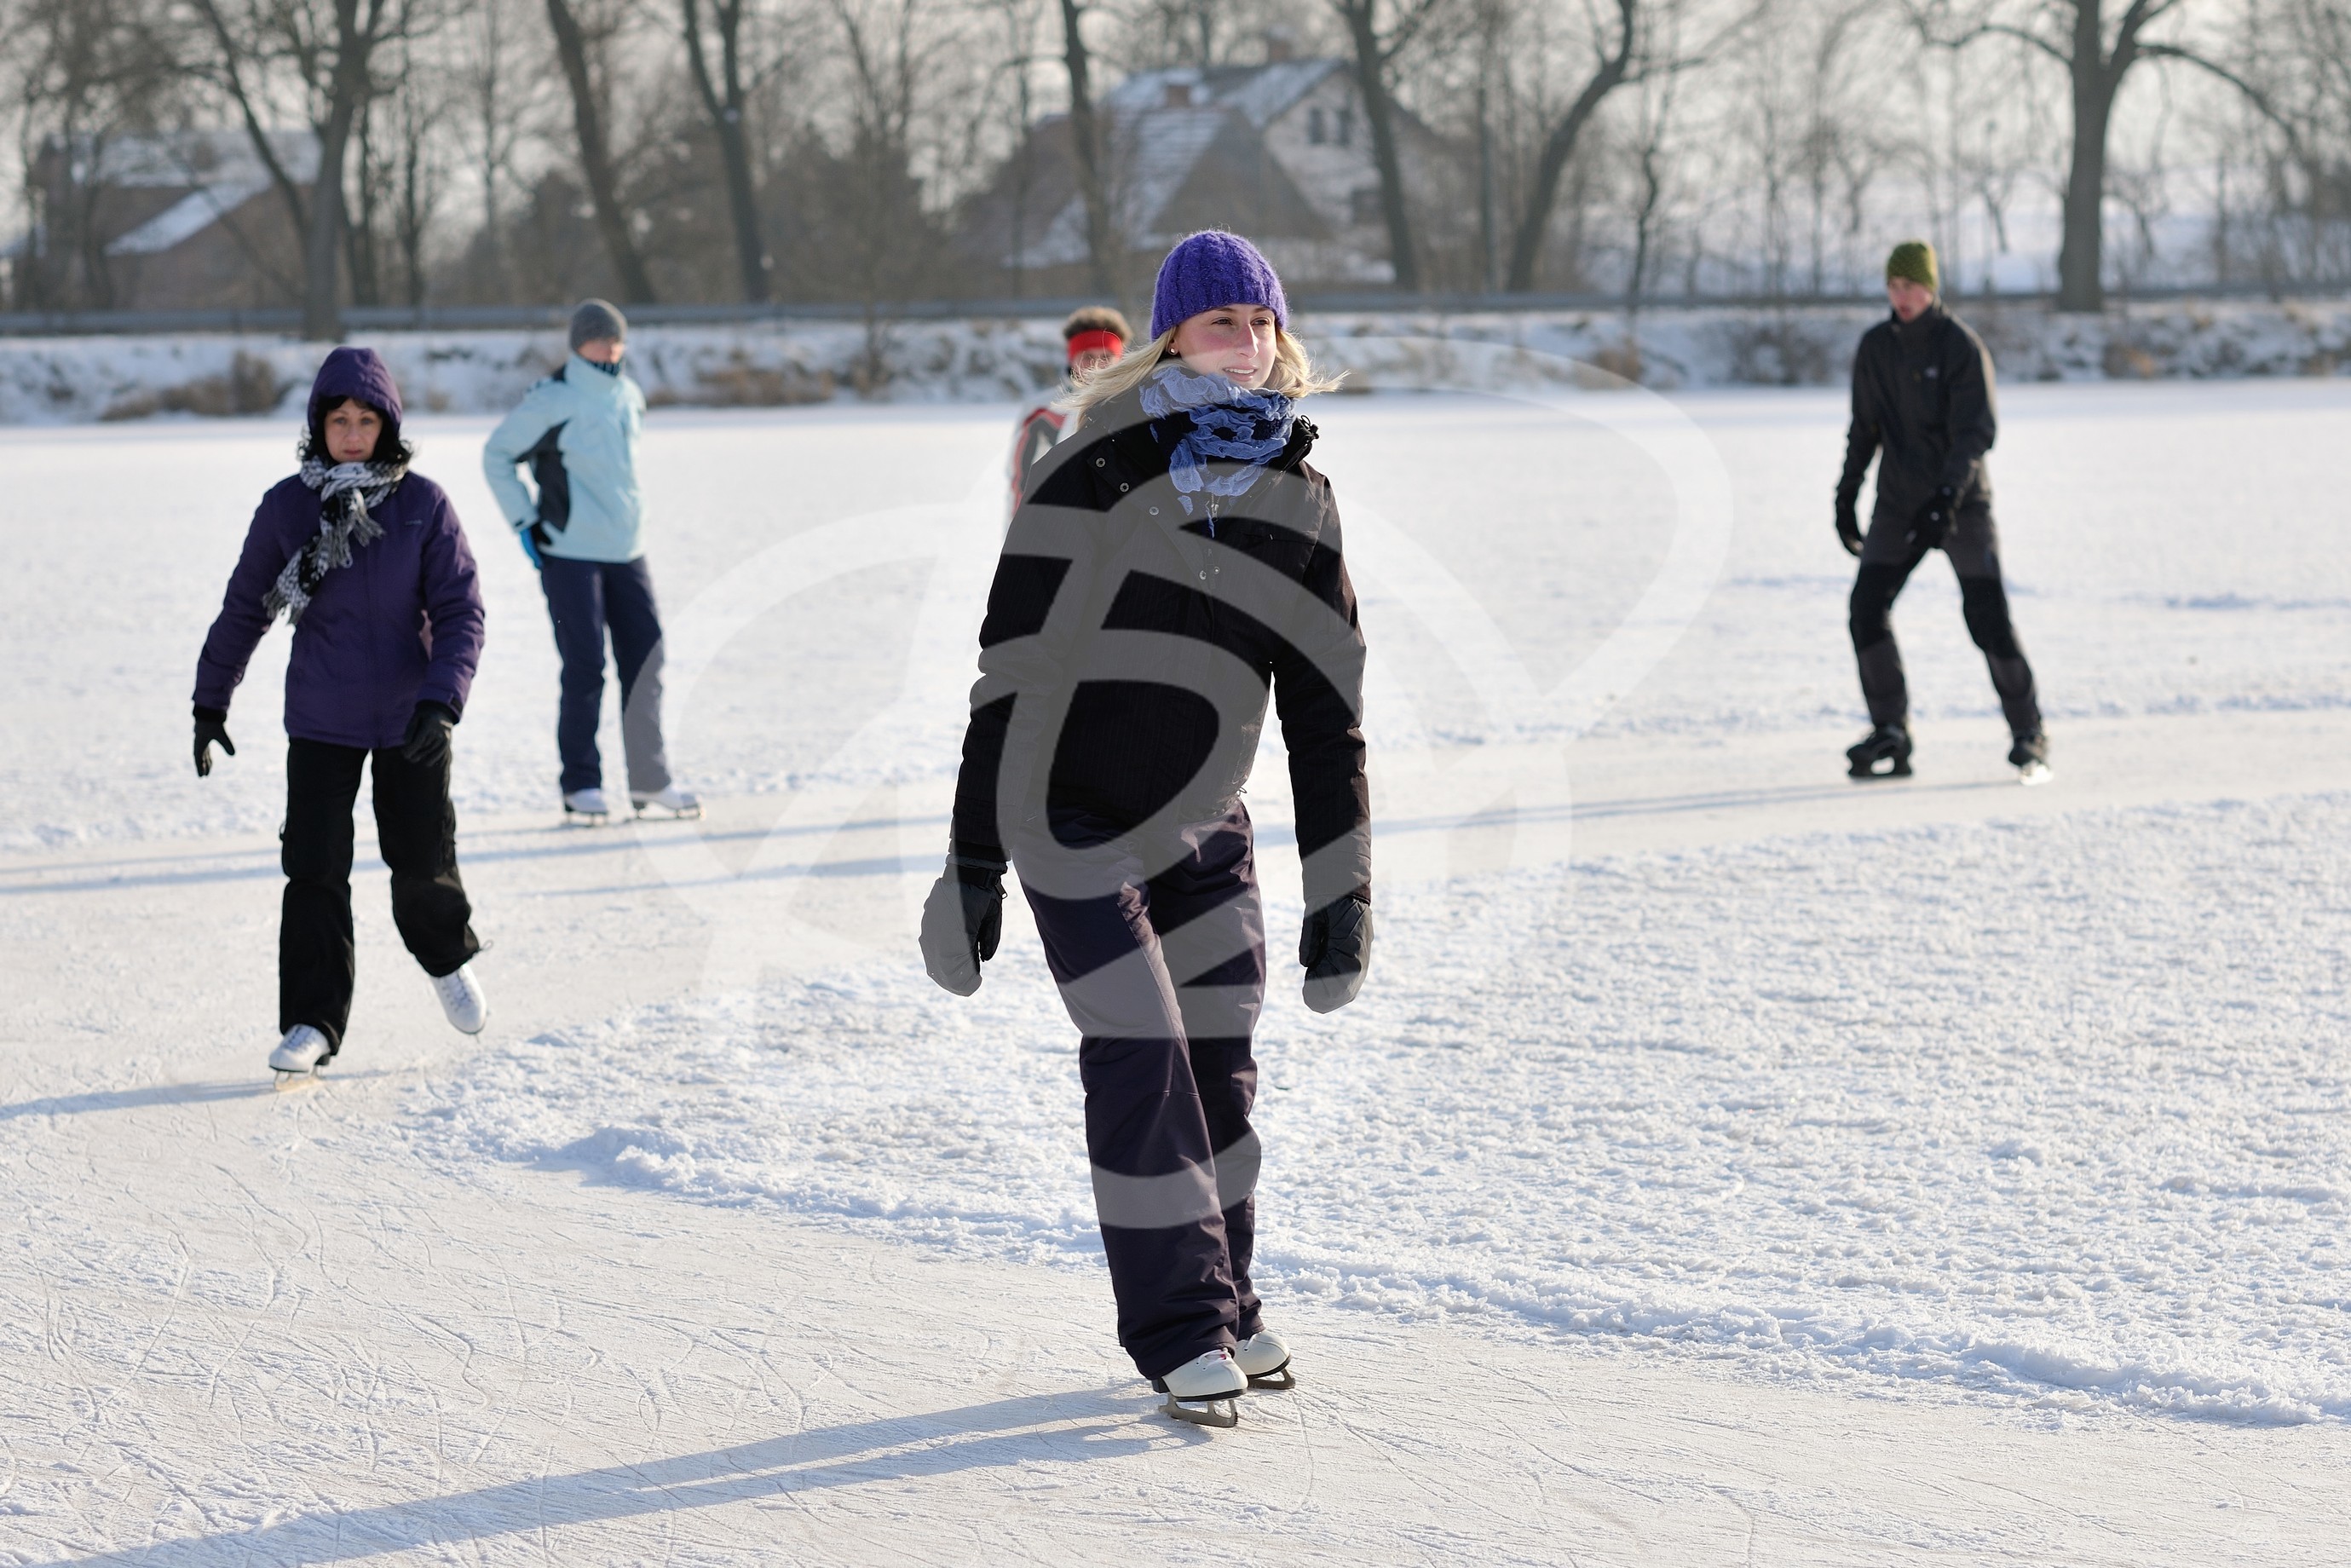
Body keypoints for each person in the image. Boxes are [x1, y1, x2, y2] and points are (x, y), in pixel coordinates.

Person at [919, 231, 1373, 1429]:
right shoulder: (1093, 473)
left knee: (1218, 1063)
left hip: (1202, 823)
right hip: (1063, 814)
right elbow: (1005, 675)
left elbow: (1326, 716)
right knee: (1142, 1053)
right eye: (1220, 322)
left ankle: (1223, 1300)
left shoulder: (1299, 496)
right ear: (1169, 339)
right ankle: (1176, 1330)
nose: (1246, 344)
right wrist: (971, 866)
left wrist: (1343, 889)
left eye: (1260, 323)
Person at [192, 347, 489, 1079]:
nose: (352, 435)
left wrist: (442, 702)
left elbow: (460, 611)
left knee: (420, 861)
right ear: (317, 426)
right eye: (338, 420)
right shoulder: (289, 507)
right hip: (322, 715)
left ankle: (444, 956)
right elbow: (247, 607)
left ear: (387, 427)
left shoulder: (422, 505)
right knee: (315, 869)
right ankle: (311, 1021)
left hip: (411, 714)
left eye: (366, 421)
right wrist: (210, 698)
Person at [1835, 239, 2049, 782]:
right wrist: (1846, 495)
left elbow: (1975, 432)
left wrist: (1947, 499)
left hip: (1961, 505)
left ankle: (2029, 732)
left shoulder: (1960, 346)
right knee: (1866, 608)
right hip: (1899, 504)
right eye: (1893, 286)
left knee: (1987, 618)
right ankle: (1891, 731)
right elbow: (1866, 429)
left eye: (1910, 286)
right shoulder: (1876, 348)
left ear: (1931, 288)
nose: (1900, 296)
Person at [482, 299, 700, 823]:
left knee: (646, 662)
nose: (610, 347)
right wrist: (526, 525)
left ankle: (650, 781)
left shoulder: (629, 395)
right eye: (600, 338)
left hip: (627, 551)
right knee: (585, 667)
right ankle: (581, 784)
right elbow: (496, 455)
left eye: (617, 339)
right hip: (570, 554)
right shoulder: (552, 399)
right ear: (578, 344)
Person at [1007, 306, 1132, 513]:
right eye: (1088, 357)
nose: (1097, 367)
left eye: (1106, 357)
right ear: (1072, 359)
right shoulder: (1043, 412)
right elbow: (1021, 483)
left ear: (1120, 359)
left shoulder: (1142, 406)